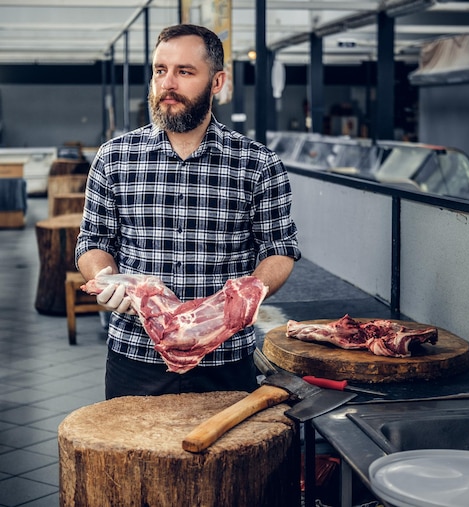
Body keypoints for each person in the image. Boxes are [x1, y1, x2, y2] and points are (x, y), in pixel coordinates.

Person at [75, 24, 301, 400]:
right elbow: (93, 241)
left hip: (224, 357)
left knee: (227, 458)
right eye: (160, 71)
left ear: (217, 83)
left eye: (184, 71)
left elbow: (280, 248)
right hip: (136, 355)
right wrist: (105, 277)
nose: (168, 83)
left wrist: (245, 296)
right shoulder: (114, 158)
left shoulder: (257, 163)